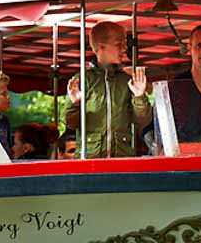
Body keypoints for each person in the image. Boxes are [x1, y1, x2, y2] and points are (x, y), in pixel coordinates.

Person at [64, 21, 151, 157]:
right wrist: (74, 103)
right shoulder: (83, 79)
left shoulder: (126, 80)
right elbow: (70, 123)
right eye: (119, 44)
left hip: (122, 158)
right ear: (101, 47)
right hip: (91, 158)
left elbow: (142, 120)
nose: (124, 49)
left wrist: (139, 96)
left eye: (124, 44)